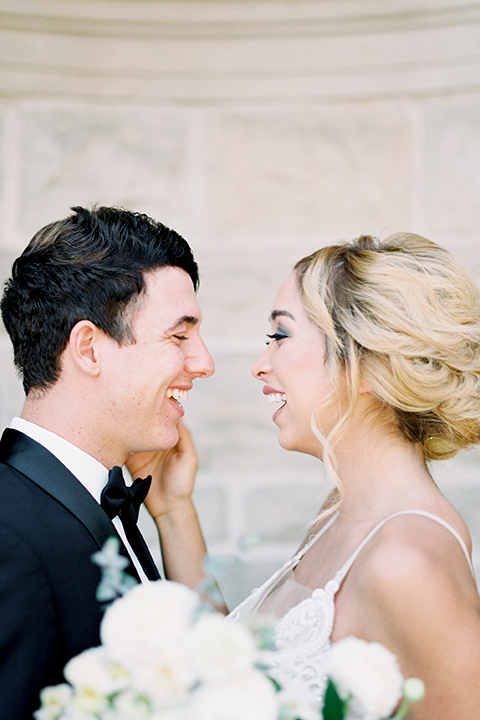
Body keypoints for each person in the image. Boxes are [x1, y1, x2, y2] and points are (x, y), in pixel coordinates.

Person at [227, 232, 480, 718]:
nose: (262, 365)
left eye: (280, 336)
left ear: (364, 360)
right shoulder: (338, 515)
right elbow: (246, 681)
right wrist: (176, 512)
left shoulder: (406, 562)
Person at [0, 205, 215, 720]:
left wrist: (173, 511)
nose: (203, 362)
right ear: (89, 349)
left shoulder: (105, 499)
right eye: (179, 335)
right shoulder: (8, 534)